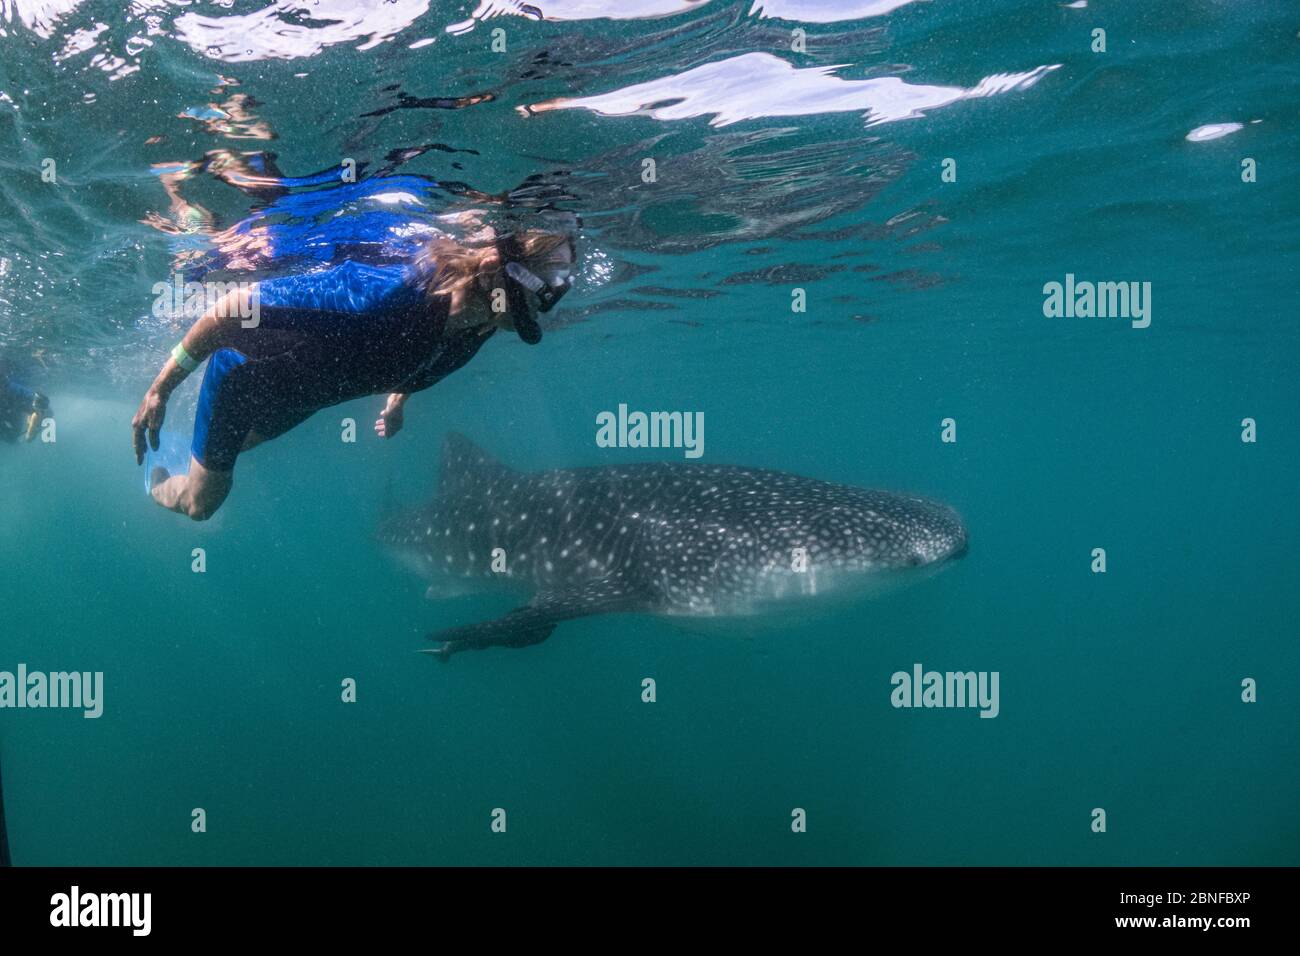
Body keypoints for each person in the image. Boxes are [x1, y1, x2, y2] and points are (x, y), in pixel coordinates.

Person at [131, 224, 577, 520]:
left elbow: (420, 363)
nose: (540, 312)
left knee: (231, 452)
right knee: (202, 502)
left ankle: (193, 451)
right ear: (495, 274)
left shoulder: (478, 328)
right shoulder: (382, 298)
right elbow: (232, 308)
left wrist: (397, 401)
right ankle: (157, 481)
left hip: (303, 397)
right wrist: (161, 389)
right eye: (538, 295)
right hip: (246, 379)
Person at [0, 352, 51, 444]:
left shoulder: (12, 389)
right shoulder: (9, 388)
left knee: (12, 438)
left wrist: (33, 427)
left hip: (12, 412)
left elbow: (44, 405)